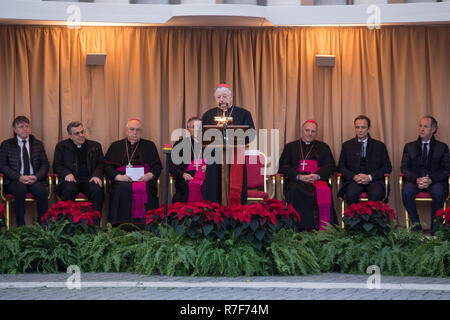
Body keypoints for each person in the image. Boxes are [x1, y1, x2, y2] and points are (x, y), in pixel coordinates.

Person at [278, 120, 337, 231]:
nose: (310, 133)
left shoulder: (323, 147)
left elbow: (330, 166)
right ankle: (296, 228)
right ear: (302, 131)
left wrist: (317, 176)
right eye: (307, 130)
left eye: (313, 131)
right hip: (297, 180)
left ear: (316, 133)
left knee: (325, 190)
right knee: (294, 190)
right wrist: (299, 176)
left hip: (317, 180)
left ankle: (322, 229)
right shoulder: (291, 147)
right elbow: (284, 167)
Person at [201, 84, 255, 205]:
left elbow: (251, 134)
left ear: (231, 97)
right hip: (214, 157)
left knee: (236, 186)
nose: (221, 100)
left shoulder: (244, 114)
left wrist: (233, 135)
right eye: (218, 97)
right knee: (214, 187)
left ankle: (235, 216)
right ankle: (214, 215)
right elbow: (201, 136)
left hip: (236, 156)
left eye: (224, 96)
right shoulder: (208, 115)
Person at [104, 119, 162, 226]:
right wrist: (118, 177)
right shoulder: (116, 146)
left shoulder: (149, 145)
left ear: (141, 131)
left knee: (146, 188)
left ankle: (147, 225)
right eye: (132, 129)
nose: (135, 132)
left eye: (138, 130)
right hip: (122, 179)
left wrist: (149, 175)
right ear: (126, 131)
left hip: (144, 179)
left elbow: (157, 166)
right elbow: (107, 166)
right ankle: (120, 225)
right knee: (122, 188)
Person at [401, 116, 450, 234]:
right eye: (420, 126)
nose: (422, 129)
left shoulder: (442, 147)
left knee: (438, 193)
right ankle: (416, 228)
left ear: (433, 129)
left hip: (435, 181)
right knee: (406, 192)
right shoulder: (409, 146)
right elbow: (404, 168)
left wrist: (431, 179)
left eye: (425, 126)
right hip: (415, 181)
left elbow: (446, 169)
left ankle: (435, 231)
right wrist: (416, 179)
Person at [0, 116, 49, 226]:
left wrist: (36, 177)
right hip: (14, 181)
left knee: (42, 191)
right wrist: (19, 177)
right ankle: (20, 227)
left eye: (27, 126)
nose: (25, 129)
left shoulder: (37, 144)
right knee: (20, 190)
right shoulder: (6, 144)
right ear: (15, 130)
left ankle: (43, 226)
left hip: (34, 179)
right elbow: (2, 165)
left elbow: (45, 164)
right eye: (21, 127)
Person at [53, 121, 104, 217]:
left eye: (82, 132)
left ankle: (95, 228)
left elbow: (100, 164)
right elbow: (56, 165)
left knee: (97, 191)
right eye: (77, 133)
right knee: (68, 190)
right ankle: (65, 225)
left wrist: (96, 175)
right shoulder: (61, 146)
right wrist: (66, 173)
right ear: (70, 136)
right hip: (71, 180)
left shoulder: (95, 146)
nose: (81, 135)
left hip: (89, 179)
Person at [337, 115, 392, 204]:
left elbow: (387, 167)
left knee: (376, 193)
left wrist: (370, 177)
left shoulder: (379, 146)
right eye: (357, 127)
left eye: (363, 127)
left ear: (369, 128)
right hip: (353, 181)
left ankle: (372, 218)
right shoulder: (347, 145)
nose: (360, 130)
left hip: (374, 180)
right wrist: (354, 176)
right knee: (351, 194)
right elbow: (341, 167)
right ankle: (355, 218)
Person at [169, 116, 206, 203]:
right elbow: (171, 165)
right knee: (185, 188)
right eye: (193, 127)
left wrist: (209, 167)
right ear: (188, 129)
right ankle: (187, 214)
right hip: (186, 179)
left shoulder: (210, 143)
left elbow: (218, 164)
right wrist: (182, 174)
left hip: (206, 178)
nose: (196, 129)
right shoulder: (180, 144)